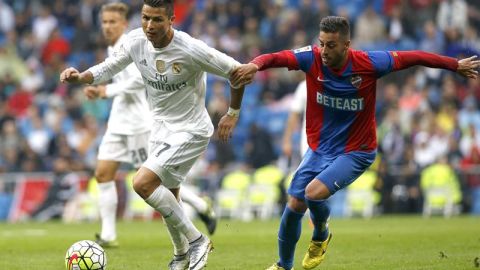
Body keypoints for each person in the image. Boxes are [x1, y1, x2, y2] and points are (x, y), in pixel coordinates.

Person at [231, 16, 480, 270]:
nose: (324, 51)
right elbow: (276, 57)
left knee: (313, 194)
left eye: (331, 45)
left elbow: (413, 56)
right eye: (322, 43)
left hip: (356, 151)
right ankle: (284, 265)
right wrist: (254, 65)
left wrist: (454, 65)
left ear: (346, 44)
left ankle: (321, 234)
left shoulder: (369, 63)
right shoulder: (312, 58)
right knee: (294, 203)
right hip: (320, 149)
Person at [59, 1, 245, 269]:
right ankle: (181, 255)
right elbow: (110, 67)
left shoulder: (190, 48)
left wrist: (232, 113)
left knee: (142, 183)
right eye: (145, 18)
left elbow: (237, 72)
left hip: (190, 130)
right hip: (160, 129)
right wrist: (81, 77)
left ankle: (197, 241)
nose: (149, 25)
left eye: (157, 20)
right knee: (170, 195)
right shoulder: (136, 41)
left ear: (171, 20)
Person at [84, 3, 217, 249]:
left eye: (113, 22)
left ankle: (198, 206)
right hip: (118, 122)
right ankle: (109, 234)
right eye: (104, 22)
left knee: (150, 180)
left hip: (139, 124)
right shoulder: (115, 47)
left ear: (124, 24)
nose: (107, 27)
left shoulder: (139, 42)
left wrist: (106, 90)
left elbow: (138, 80)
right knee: (103, 173)